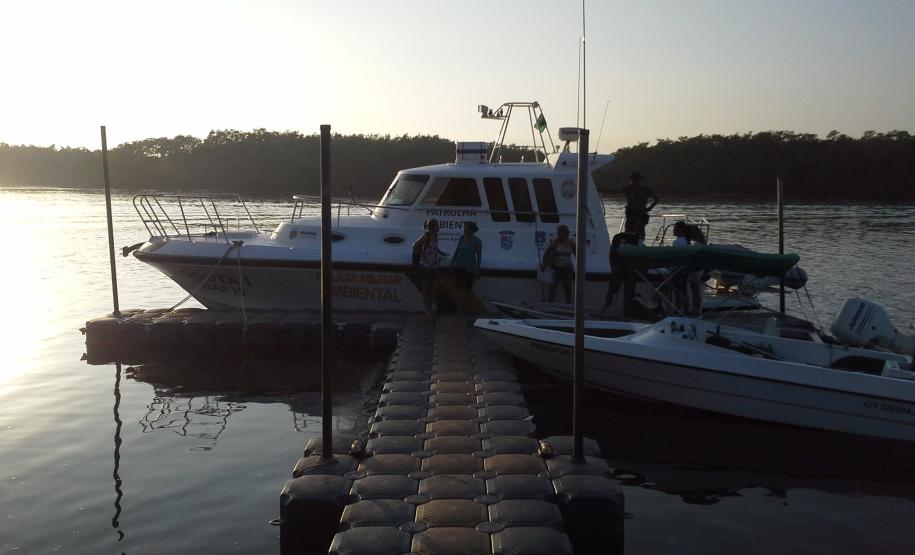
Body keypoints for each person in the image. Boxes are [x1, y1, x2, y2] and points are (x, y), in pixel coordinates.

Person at [412, 218, 447, 314]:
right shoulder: (426, 235)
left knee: (436, 286)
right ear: (433, 227)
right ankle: (427, 308)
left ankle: (429, 305)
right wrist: (422, 255)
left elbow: (434, 247)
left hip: (434, 265)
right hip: (425, 265)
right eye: (438, 225)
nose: (439, 227)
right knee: (425, 287)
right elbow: (415, 245)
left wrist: (441, 252)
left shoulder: (436, 235)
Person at [450, 221, 483, 314]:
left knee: (468, 290)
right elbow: (457, 251)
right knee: (459, 289)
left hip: (469, 268)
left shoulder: (477, 241)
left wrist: (477, 270)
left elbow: (479, 257)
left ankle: (468, 310)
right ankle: (459, 310)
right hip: (459, 266)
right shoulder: (462, 238)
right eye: (464, 228)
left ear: (471, 230)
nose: (464, 230)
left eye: (466, 228)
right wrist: (452, 262)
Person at [621, 172, 659, 244]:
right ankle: (628, 245)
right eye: (633, 180)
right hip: (630, 214)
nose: (634, 182)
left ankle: (638, 245)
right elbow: (614, 191)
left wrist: (649, 208)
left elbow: (656, 199)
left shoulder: (646, 189)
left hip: (640, 214)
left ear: (639, 180)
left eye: (636, 180)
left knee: (640, 233)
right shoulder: (628, 189)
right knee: (628, 232)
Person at [542, 224, 576, 303]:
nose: (557, 234)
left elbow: (577, 255)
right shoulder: (555, 242)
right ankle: (550, 304)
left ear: (565, 233)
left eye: (559, 233)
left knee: (567, 287)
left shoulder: (571, 243)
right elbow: (546, 253)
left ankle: (569, 305)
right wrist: (544, 264)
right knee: (553, 287)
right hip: (556, 268)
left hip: (567, 268)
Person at [686, 224, 707, 315]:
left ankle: (696, 309)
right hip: (700, 269)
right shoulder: (702, 243)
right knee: (696, 290)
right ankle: (696, 308)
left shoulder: (696, 244)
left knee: (694, 290)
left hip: (695, 270)